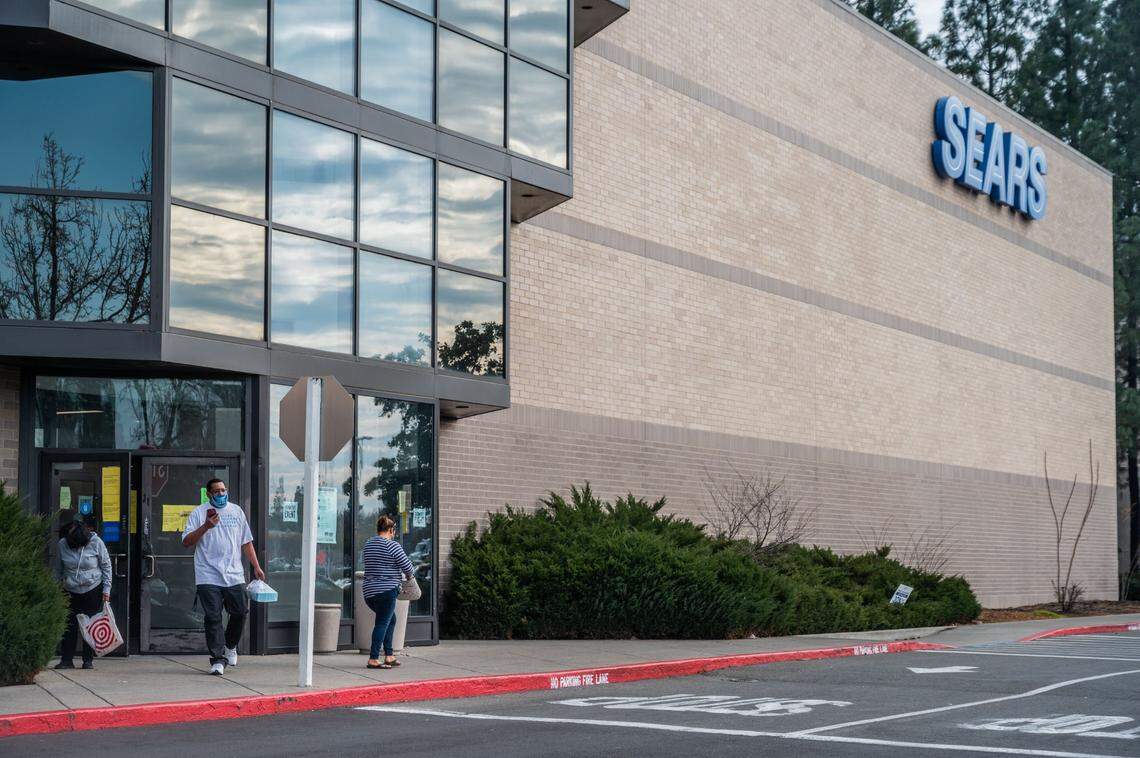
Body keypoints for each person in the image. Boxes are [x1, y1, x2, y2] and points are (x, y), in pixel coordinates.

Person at [182, 478, 265, 676]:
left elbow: (246, 542)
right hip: (207, 574)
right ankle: (218, 659)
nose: (221, 494)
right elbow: (186, 542)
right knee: (213, 617)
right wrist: (205, 527)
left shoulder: (236, 511)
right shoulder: (199, 513)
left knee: (240, 612)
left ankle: (230, 646)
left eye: (224, 490)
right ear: (209, 494)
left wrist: (256, 566)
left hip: (234, 574)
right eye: (217, 491)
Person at [54, 520, 112, 670]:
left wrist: (106, 590)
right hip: (70, 589)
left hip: (93, 588)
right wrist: (56, 589)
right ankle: (67, 660)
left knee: (90, 625)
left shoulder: (96, 542)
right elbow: (58, 568)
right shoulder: (62, 544)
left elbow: (106, 566)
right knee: (70, 625)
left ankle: (88, 660)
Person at [362, 515, 413, 669]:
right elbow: (408, 568)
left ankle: (389, 655)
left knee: (391, 619)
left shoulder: (368, 544)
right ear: (391, 530)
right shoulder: (393, 546)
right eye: (394, 532)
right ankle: (373, 658)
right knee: (382, 622)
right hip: (386, 590)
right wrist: (409, 577)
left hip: (369, 592)